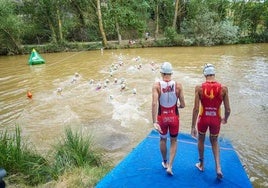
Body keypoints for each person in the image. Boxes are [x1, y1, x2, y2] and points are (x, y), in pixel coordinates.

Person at [191, 64, 231, 179]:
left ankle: (201, 164)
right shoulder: (223, 88)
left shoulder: (199, 88)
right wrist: (225, 119)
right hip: (215, 119)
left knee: (201, 139)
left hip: (203, 118)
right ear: (214, 74)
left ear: (205, 74)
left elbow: (196, 109)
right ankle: (218, 168)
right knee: (214, 141)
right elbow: (228, 109)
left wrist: (193, 126)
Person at [152, 62, 185, 176]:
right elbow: (183, 104)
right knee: (174, 141)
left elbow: (154, 103)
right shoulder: (178, 85)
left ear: (161, 73)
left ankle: (165, 162)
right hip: (174, 116)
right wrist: (179, 106)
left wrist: (154, 121)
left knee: (162, 140)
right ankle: (170, 166)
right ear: (171, 73)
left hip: (162, 117)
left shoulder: (156, 86)